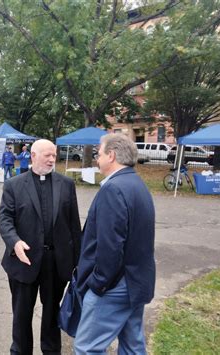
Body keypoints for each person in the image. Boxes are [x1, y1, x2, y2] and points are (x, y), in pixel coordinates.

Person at [0, 139, 82, 355]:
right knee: (22, 314)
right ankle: (20, 351)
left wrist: (78, 262)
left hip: (56, 262)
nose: (53, 159)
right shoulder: (14, 185)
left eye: (54, 155)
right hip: (24, 260)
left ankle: (51, 351)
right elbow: (4, 218)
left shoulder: (66, 184)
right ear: (33, 156)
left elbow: (74, 225)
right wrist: (14, 242)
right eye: (47, 155)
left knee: (52, 313)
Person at [74, 133, 155, 354]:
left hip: (113, 287)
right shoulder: (136, 183)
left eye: (99, 155)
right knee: (132, 346)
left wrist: (98, 284)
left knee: (86, 348)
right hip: (136, 282)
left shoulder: (114, 188)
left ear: (111, 155)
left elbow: (110, 245)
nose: (96, 159)